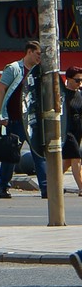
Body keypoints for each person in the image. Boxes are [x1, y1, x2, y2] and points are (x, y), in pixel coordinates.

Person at [0, 42, 45, 198]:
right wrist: (2, 114)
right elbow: (1, 89)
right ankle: (3, 185)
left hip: (33, 121)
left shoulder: (39, 71)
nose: (40, 57)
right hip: (15, 120)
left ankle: (45, 188)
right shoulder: (14, 69)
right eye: (38, 54)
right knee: (10, 156)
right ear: (29, 52)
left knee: (39, 154)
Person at [62, 67, 82, 199]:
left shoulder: (80, 93)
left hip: (78, 130)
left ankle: (49, 182)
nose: (79, 83)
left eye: (81, 80)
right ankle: (81, 188)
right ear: (68, 79)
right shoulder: (63, 95)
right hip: (67, 131)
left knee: (67, 162)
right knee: (76, 159)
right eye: (77, 80)